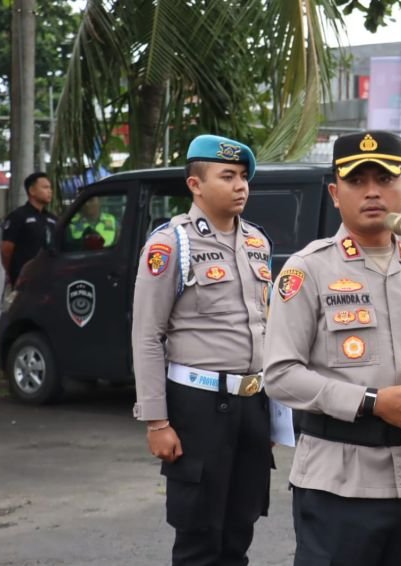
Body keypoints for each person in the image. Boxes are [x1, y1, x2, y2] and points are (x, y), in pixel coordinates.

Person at [263, 130, 401, 566]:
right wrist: (374, 403)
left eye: (384, 178)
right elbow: (280, 374)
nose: (372, 191)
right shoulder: (307, 270)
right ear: (336, 194)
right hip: (336, 483)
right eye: (357, 181)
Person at [131, 134, 273, 566]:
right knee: (198, 537)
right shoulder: (171, 243)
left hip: (252, 404)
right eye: (227, 176)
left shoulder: (257, 243)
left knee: (240, 529)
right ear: (195, 185)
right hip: (199, 406)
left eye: (244, 176)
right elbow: (147, 335)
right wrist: (157, 420)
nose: (240, 186)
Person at [0, 171, 56, 286]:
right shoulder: (18, 216)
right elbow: (6, 249)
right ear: (32, 191)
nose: (50, 191)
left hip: (49, 277)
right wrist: (12, 273)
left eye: (50, 188)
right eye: (45, 187)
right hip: (25, 279)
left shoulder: (52, 219)